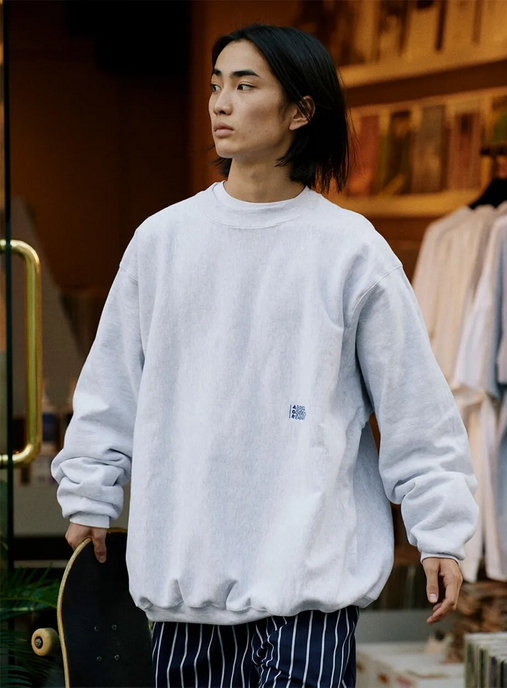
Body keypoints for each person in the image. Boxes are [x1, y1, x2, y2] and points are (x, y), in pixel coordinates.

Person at [52, 23, 478, 688]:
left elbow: (414, 408)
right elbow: (111, 387)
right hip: (185, 590)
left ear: (300, 111)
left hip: (310, 588)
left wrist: (440, 531)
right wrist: (89, 494)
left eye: (245, 86)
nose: (221, 103)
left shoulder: (351, 250)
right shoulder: (163, 241)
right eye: (216, 85)